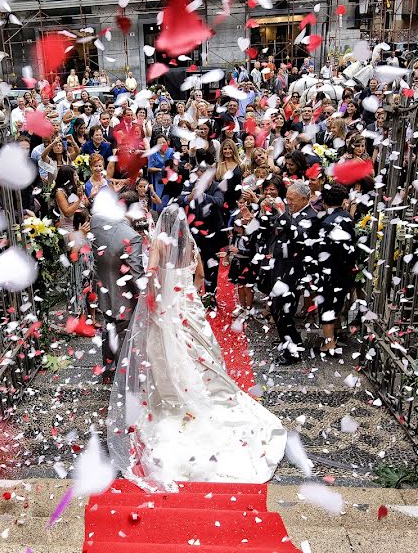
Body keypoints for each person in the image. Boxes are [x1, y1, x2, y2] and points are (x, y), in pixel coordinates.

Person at [106, 204, 286, 491]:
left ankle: (172, 399)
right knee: (200, 354)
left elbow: (151, 277)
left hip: (167, 308)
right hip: (188, 305)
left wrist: (151, 296)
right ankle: (206, 391)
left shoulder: (158, 246)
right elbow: (200, 277)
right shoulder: (190, 245)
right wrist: (191, 295)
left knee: (164, 356)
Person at [90, 189, 145, 384]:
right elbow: (135, 273)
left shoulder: (96, 222)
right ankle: (121, 378)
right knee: (123, 333)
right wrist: (147, 296)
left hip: (104, 288)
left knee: (109, 328)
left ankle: (108, 371)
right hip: (123, 295)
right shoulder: (132, 237)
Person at [267, 181, 317, 364]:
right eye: (287, 198)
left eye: (292, 199)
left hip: (293, 271)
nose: (288, 202)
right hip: (280, 266)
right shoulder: (291, 213)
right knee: (276, 307)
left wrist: (282, 213)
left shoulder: (312, 217)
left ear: (305, 199)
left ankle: (292, 351)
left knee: (284, 309)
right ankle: (290, 340)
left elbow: (299, 237)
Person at [176, 161, 226, 309]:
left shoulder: (217, 187)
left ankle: (211, 298)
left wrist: (203, 194)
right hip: (192, 234)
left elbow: (219, 202)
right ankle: (192, 297)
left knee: (211, 267)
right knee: (192, 266)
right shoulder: (189, 185)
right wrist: (188, 198)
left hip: (212, 233)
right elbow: (177, 200)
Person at [316, 182, 356, 353]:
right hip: (346, 269)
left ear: (325, 201)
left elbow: (323, 250)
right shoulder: (348, 218)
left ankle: (329, 342)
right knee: (337, 302)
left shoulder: (326, 222)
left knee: (327, 306)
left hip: (330, 270)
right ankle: (336, 331)